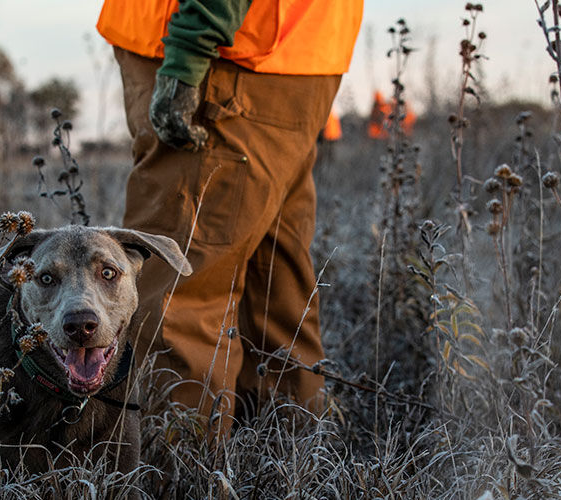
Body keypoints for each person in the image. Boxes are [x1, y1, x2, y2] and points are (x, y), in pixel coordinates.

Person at [97, 1, 362, 434]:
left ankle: (174, 478)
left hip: (221, 54)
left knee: (177, 293)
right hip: (290, 50)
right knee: (273, 283)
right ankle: (291, 468)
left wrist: (189, 49)